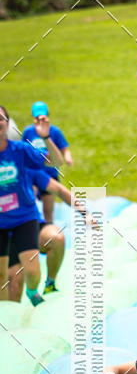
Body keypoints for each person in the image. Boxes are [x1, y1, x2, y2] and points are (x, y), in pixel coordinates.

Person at [0, 105, 63, 306]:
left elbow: (56, 161)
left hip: (23, 219)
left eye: (0, 118)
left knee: (33, 273)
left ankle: (33, 291)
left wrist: (46, 138)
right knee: (3, 277)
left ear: (7, 124)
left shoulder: (20, 150)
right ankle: (5, 317)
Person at [8, 168, 93, 298]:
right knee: (13, 288)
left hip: (28, 228)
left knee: (55, 238)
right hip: (6, 235)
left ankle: (50, 284)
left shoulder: (25, 167)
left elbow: (59, 190)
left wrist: (84, 213)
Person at [22, 102, 73, 224]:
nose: (41, 121)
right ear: (33, 118)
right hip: (34, 172)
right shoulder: (28, 132)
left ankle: (49, 227)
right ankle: (33, 226)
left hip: (50, 174)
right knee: (31, 201)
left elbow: (64, 148)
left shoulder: (55, 131)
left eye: (43, 118)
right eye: (37, 118)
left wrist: (68, 157)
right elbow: (23, 150)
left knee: (48, 209)